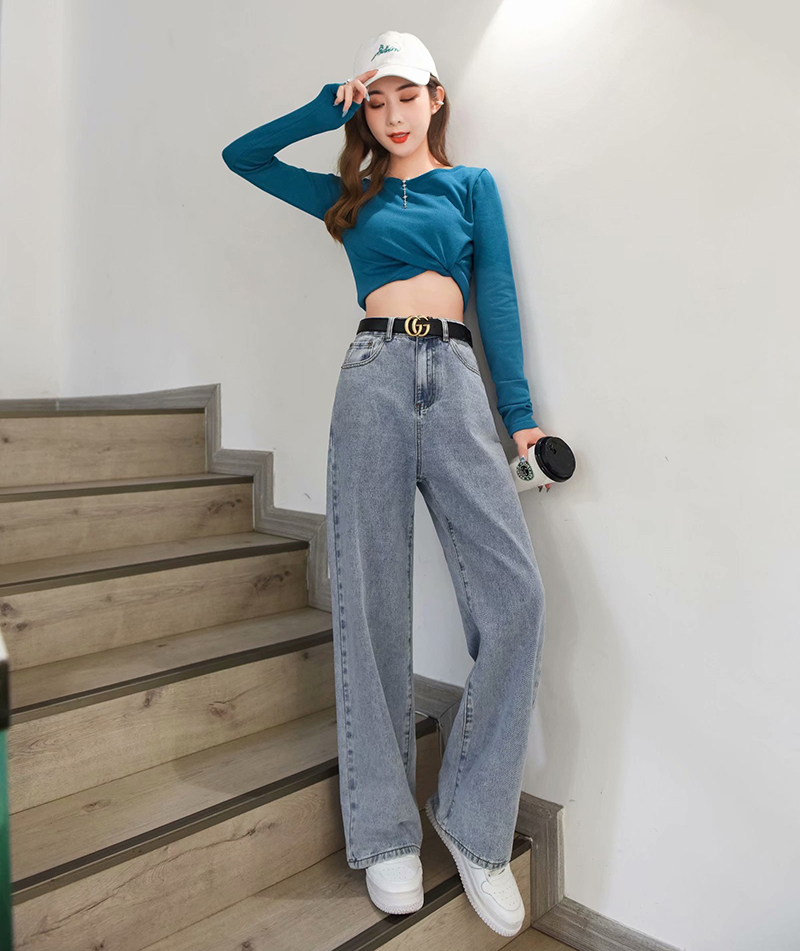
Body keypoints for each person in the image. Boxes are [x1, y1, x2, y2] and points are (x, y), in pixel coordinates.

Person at [221, 29, 548, 939]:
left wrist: (520, 416)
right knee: (371, 604)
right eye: (377, 100)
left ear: (436, 97)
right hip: (370, 378)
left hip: (457, 381)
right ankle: (384, 831)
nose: (394, 114)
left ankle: (473, 819)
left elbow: (496, 299)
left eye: (408, 95)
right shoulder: (349, 195)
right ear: (362, 111)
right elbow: (243, 156)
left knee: (517, 599)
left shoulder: (470, 186)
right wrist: (323, 100)